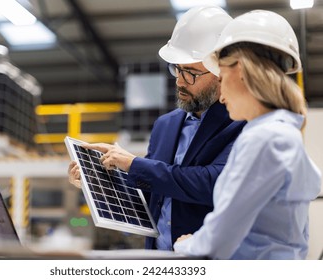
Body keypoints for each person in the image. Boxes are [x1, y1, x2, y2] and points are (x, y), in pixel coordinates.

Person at [68, 5, 246, 250]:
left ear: (220, 71)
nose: (180, 81)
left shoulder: (240, 121)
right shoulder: (165, 126)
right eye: (177, 69)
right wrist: (96, 182)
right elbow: (151, 194)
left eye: (191, 73)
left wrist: (133, 164)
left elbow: (213, 183)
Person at [173, 10, 321, 260]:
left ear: (240, 70)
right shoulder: (282, 133)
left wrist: (187, 243)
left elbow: (216, 241)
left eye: (222, 75)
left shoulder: (265, 139)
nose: (220, 96)